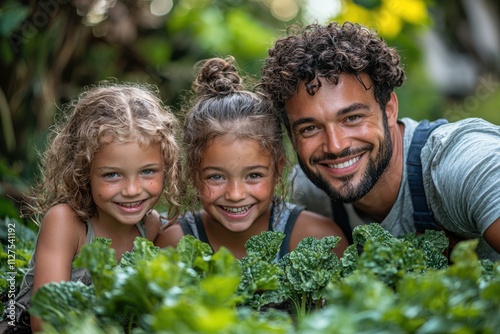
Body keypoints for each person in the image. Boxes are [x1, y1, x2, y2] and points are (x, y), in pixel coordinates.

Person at [258, 21, 500, 261]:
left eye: (352, 118)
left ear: (390, 109)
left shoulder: (466, 166)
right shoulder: (309, 194)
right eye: (310, 128)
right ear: (291, 136)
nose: (335, 146)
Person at [3, 82, 181, 333]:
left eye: (148, 172)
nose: (132, 190)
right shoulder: (66, 223)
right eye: (112, 175)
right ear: (83, 172)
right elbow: (45, 322)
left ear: (167, 168)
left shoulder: (150, 226)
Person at [156, 57, 349, 260]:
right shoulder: (175, 244)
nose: (235, 194)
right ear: (193, 174)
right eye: (216, 177)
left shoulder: (315, 238)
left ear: (277, 169)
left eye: (254, 175)